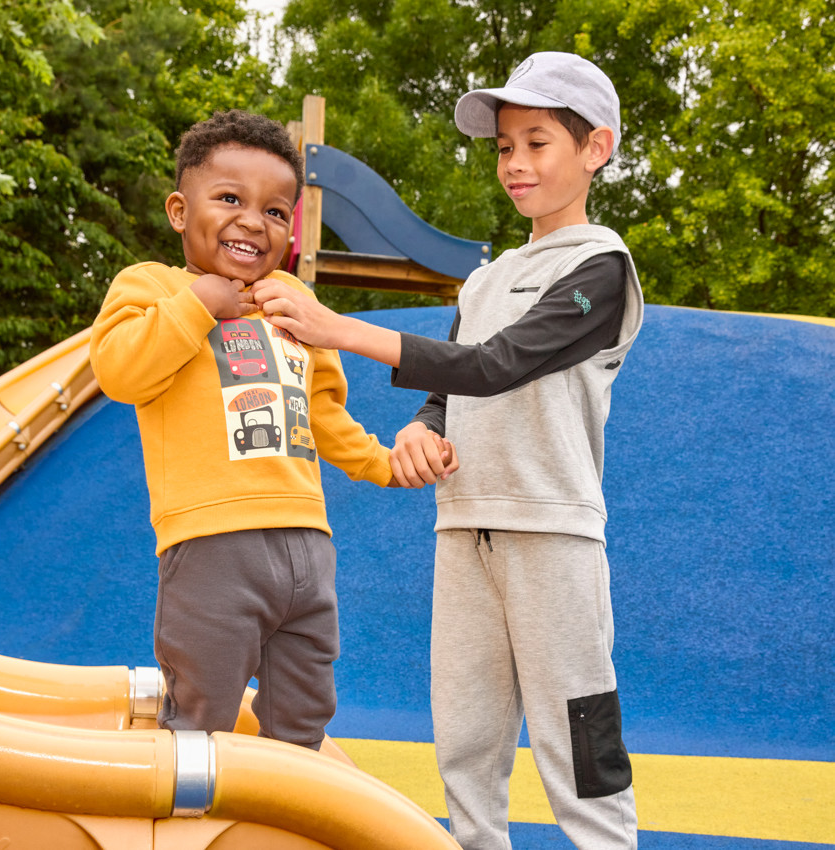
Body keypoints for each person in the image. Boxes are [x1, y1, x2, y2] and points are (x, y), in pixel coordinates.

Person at [254, 51, 641, 847]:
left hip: (554, 534)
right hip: (463, 530)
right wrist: (420, 431)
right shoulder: (484, 283)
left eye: (538, 142)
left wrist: (338, 330)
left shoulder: (601, 269)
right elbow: (450, 394)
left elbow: (495, 367)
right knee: (465, 738)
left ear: (595, 148)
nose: (516, 163)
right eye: (505, 146)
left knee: (580, 738)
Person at [90, 109, 455, 751]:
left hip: (307, 547)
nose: (254, 221)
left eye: (276, 211)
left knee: (306, 707)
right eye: (230, 198)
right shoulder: (151, 288)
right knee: (203, 706)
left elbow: (322, 414)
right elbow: (121, 371)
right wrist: (199, 303)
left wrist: (383, 463)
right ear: (180, 210)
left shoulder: (291, 300)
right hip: (211, 544)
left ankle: (285, 812)